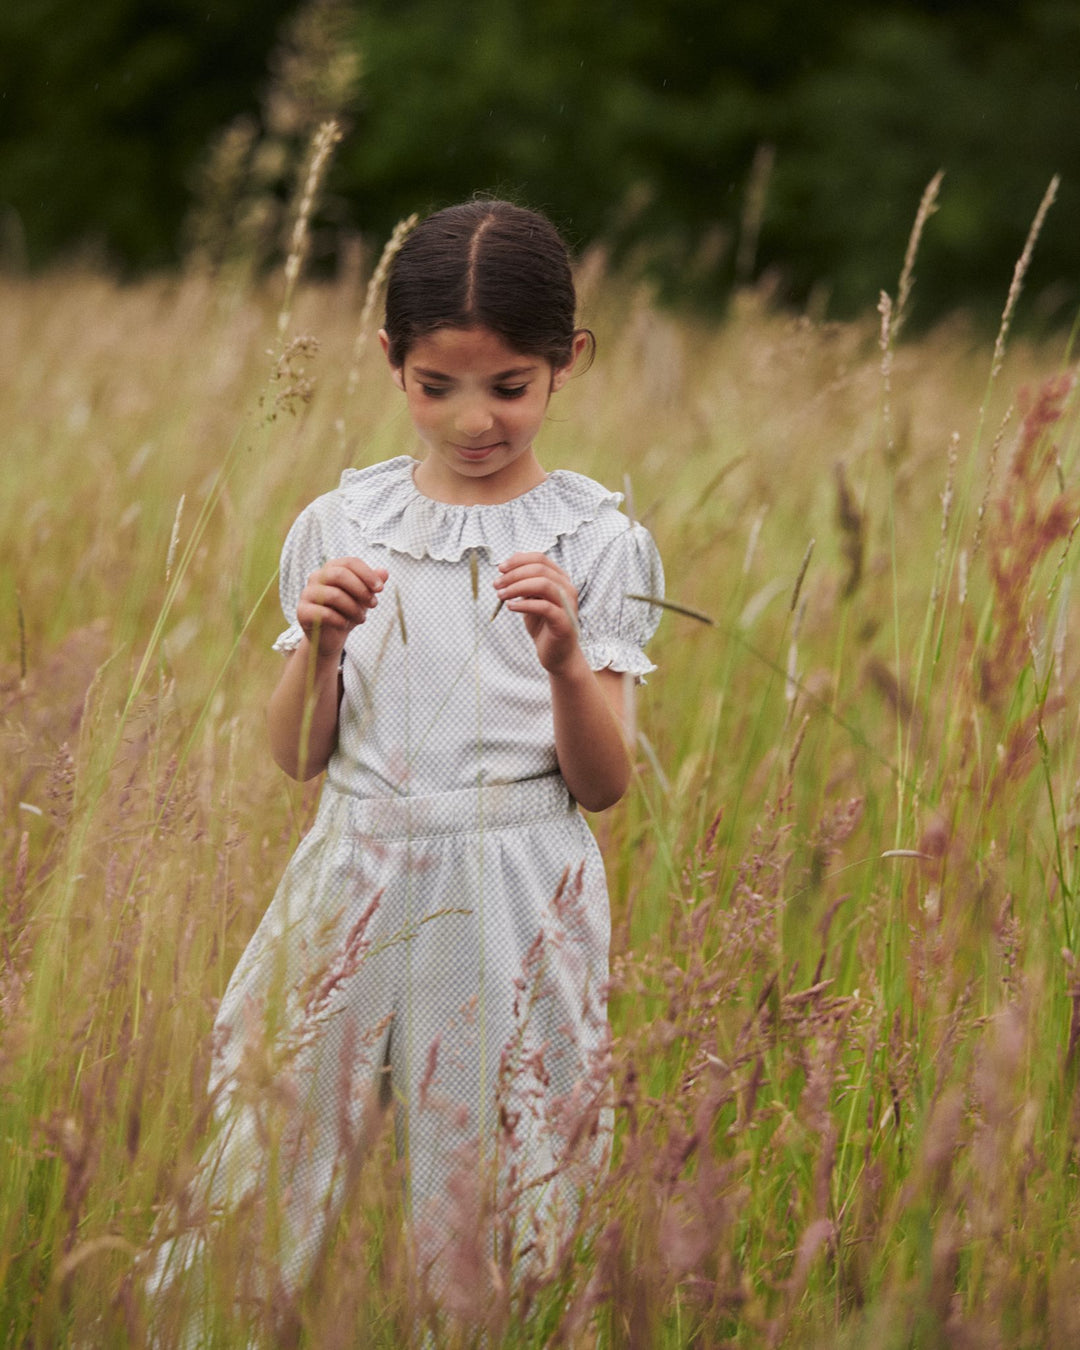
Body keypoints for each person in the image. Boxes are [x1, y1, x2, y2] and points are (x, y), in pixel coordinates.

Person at [149, 199, 663, 1335]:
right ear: (391, 361)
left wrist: (566, 660)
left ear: (568, 361)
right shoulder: (342, 523)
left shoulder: (598, 542)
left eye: (510, 386)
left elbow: (602, 784)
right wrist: (322, 646)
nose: (475, 419)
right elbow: (297, 757)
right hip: (357, 867)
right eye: (438, 385)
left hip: (518, 879)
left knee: (505, 1167)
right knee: (272, 1140)